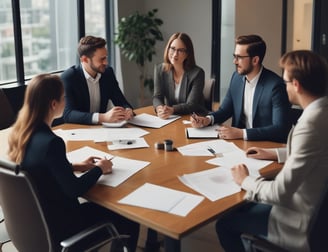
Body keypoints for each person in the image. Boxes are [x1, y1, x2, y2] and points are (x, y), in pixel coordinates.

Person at [7, 74, 140, 251]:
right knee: (128, 217)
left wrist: (75, 166)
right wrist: (100, 168)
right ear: (53, 104)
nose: (65, 101)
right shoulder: (52, 142)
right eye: (63, 98)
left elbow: (39, 169)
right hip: (64, 229)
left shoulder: (22, 134)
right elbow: (75, 189)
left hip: (36, 226)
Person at [216, 50, 328, 251]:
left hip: (296, 219)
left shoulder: (310, 125)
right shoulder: (322, 111)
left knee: (225, 224)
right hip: (315, 209)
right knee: (243, 206)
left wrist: (245, 180)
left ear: (297, 85)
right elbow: (316, 152)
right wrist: (275, 153)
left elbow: (280, 193)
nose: (284, 87)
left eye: (286, 82)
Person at [191, 34, 291, 143]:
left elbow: (280, 129)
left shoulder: (275, 86)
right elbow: (225, 110)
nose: (235, 61)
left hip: (264, 145)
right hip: (238, 144)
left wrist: (241, 133)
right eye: (234, 56)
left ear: (255, 60)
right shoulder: (236, 78)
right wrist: (207, 120)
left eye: (239, 57)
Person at [61, 35, 134, 125]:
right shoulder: (69, 77)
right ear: (85, 59)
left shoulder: (107, 73)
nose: (106, 62)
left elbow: (121, 101)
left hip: (102, 129)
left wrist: (128, 110)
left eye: (106, 57)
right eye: (102, 59)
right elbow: (68, 114)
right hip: (79, 131)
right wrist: (103, 117)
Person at [153, 32, 207, 119]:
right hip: (171, 118)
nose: (175, 54)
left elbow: (191, 105)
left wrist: (172, 110)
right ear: (168, 48)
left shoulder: (198, 73)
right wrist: (160, 108)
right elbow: (157, 97)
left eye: (180, 50)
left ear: (187, 54)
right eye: (173, 49)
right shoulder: (160, 70)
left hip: (194, 118)